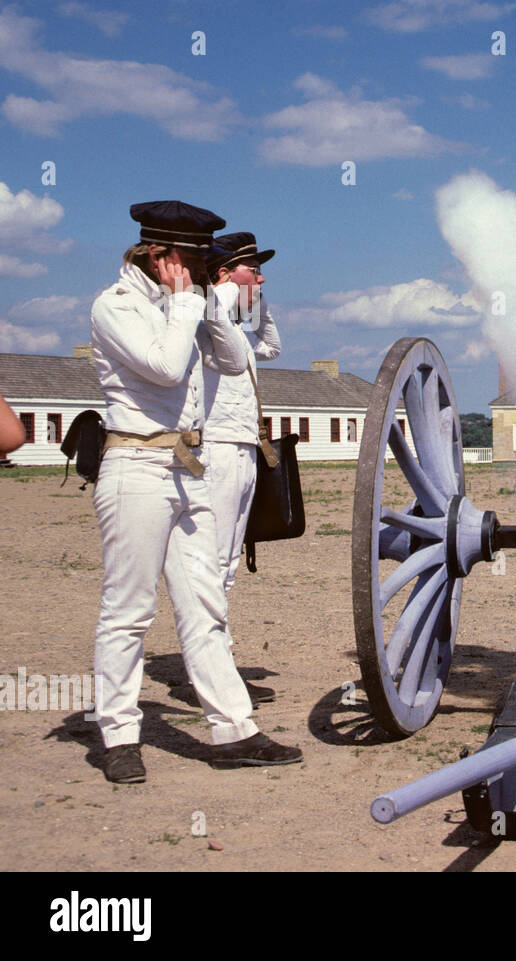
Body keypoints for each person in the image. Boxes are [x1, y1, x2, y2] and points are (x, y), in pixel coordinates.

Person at [89, 200, 301, 784]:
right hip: (135, 462)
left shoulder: (188, 301)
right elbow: (162, 366)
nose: (199, 270)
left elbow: (234, 363)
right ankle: (119, 733)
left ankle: (234, 730)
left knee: (204, 602)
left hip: (189, 464)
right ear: (158, 255)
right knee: (129, 608)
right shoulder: (117, 305)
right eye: (192, 259)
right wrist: (185, 307)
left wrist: (208, 309)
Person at [201, 232, 280, 705]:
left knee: (227, 561)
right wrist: (229, 293)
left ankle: (217, 663)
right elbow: (232, 357)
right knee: (214, 563)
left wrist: (257, 301)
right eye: (253, 268)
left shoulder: (228, 319)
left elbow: (270, 346)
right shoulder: (207, 322)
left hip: (242, 447)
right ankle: (213, 667)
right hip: (217, 450)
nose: (262, 275)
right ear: (225, 272)